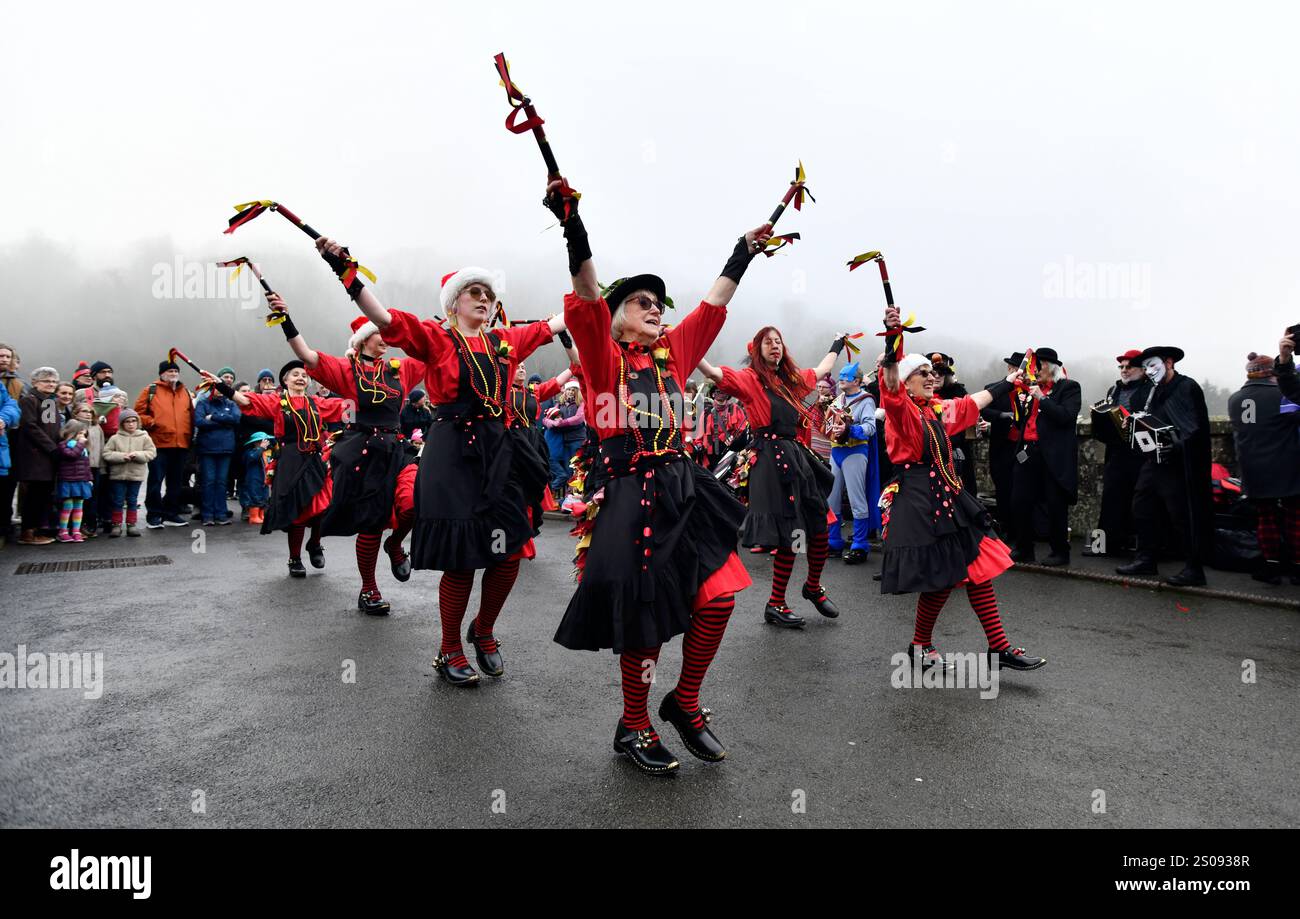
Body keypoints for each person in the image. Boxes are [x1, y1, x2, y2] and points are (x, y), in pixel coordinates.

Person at [546, 174, 766, 776]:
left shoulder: (676, 357)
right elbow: (587, 293)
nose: (656, 311)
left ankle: (684, 702)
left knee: (720, 593)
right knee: (644, 621)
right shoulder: (601, 356)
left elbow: (712, 306)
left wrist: (742, 249)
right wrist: (571, 222)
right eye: (643, 304)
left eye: (658, 306)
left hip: (683, 489)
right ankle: (634, 724)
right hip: (628, 496)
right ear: (617, 319)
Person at [317, 233, 565, 680]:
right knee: (462, 558)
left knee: (509, 552)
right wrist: (345, 271)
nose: (485, 300)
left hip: (499, 453)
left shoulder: (506, 341)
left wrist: (601, 288)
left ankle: (483, 630)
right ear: (453, 303)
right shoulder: (437, 339)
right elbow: (385, 318)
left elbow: (557, 323)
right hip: (452, 455)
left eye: (489, 295)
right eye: (475, 292)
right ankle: (449, 648)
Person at [877, 306, 1046, 675]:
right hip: (921, 500)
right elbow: (888, 388)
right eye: (921, 373)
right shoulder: (902, 411)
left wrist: (1012, 381)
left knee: (973, 567)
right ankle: (922, 646)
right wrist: (893, 338)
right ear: (905, 382)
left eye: (931, 372)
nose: (930, 376)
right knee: (946, 575)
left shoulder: (936, 410)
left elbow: (975, 402)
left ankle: (993, 647)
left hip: (946, 496)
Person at [271, 299, 429, 615]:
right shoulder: (347, 370)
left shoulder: (403, 368)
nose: (387, 335)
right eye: (380, 331)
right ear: (363, 339)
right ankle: (368, 589)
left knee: (413, 504)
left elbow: (435, 351)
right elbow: (306, 355)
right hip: (366, 454)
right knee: (370, 524)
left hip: (397, 450)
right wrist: (285, 318)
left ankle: (396, 544)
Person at [696, 327, 844, 628]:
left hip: (795, 458)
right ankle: (776, 604)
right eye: (768, 342)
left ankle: (812, 587)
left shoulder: (792, 381)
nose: (775, 346)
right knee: (789, 534)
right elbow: (713, 373)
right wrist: (686, 343)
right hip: (769, 460)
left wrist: (837, 344)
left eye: (778, 341)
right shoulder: (750, 380)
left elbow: (824, 367)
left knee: (818, 525)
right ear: (757, 350)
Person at [226, 362, 348, 577]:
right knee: (297, 512)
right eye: (295, 375)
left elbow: (348, 406)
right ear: (285, 380)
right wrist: (221, 386)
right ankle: (294, 558)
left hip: (314, 459)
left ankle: (315, 544)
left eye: (304, 375)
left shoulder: (317, 402)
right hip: (290, 461)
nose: (301, 378)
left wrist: (353, 422)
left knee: (324, 507)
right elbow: (245, 400)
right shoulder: (277, 402)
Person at [1116, 346, 1213, 586]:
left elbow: (1193, 426)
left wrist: (1176, 445)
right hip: (1155, 461)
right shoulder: (1152, 390)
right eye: (1146, 366)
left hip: (1179, 464)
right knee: (1142, 506)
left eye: (1153, 365)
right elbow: (1151, 419)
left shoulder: (1186, 386)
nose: (1149, 371)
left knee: (1182, 515)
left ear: (1169, 363)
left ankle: (1194, 568)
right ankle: (1146, 559)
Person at [1228, 350, 1300, 583]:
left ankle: (1270, 565)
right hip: (1286, 464)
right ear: (1271, 374)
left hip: (1252, 468)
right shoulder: (1283, 396)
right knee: (1294, 516)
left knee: (1265, 517)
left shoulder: (1235, 399)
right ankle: (1297, 566)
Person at [1008, 348, 1081, 566]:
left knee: (1055, 504)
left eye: (1037, 367)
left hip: (1053, 455)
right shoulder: (1032, 390)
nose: (1034, 371)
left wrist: (1043, 399)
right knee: (1020, 501)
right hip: (1028, 452)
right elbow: (1024, 423)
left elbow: (1066, 417)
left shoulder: (1069, 388)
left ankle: (1060, 551)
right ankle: (1024, 548)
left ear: (1050, 367)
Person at [1085, 349, 1151, 557]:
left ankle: (1139, 549)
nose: (1124, 370)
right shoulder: (1114, 389)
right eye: (1121, 367)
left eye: (1128, 366)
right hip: (1117, 451)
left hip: (1141, 452)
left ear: (1141, 369)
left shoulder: (1150, 389)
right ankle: (1104, 545)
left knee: (1140, 502)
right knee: (1111, 498)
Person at [826, 362, 881, 564]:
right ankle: (833, 541)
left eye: (845, 376)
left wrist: (850, 430)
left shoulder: (866, 400)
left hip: (855, 451)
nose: (841, 378)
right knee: (831, 498)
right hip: (836, 451)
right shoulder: (837, 400)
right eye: (840, 375)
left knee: (857, 499)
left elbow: (870, 427)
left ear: (856, 380)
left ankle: (860, 544)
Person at [135, 360, 194, 528]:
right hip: (159, 443)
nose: (173, 374)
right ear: (162, 374)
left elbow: (190, 415)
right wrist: (152, 422)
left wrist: (190, 436)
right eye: (170, 371)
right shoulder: (150, 390)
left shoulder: (185, 392)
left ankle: (171, 513)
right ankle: (154, 514)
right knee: (155, 480)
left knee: (176, 482)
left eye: (176, 371)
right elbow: (138, 413)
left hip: (181, 443)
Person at [13, 367, 62, 545]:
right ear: (35, 382)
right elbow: (30, 427)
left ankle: (36, 531)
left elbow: (54, 429)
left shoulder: (50, 402)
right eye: (46, 381)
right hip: (35, 457)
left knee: (43, 495)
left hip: (48, 456)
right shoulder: (29, 400)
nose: (51, 384)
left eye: (54, 381)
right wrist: (52, 448)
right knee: (33, 495)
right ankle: (28, 533)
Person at [980, 351, 1025, 540]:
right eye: (1015, 369)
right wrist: (1001, 416)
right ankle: (1005, 528)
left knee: (1020, 490)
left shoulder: (1028, 390)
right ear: (1010, 369)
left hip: (1021, 448)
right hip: (1001, 446)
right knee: (1003, 488)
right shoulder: (994, 388)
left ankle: (1020, 530)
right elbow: (983, 409)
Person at [193, 381, 241, 526]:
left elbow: (236, 419)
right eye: (216, 389)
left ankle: (221, 513)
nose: (219, 392)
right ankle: (207, 514)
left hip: (226, 448)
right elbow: (199, 421)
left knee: (221, 482)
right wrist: (224, 421)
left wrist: (213, 417)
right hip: (207, 448)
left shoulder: (231, 404)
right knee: (209, 481)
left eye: (222, 389)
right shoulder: (203, 403)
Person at [102, 409, 155, 536]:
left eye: (133, 421)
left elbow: (151, 453)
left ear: (138, 422)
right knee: (118, 500)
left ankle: (131, 524)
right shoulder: (115, 438)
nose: (131, 424)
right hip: (118, 475)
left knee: (132, 500)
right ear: (122, 424)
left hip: (136, 475)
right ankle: (116, 525)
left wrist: (138, 454)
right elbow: (106, 453)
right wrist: (121, 457)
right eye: (127, 422)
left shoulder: (144, 437)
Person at [54, 419, 94, 542]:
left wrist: (89, 479)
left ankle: (76, 531)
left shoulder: (83, 449)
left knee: (79, 507)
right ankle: (63, 531)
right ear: (71, 432)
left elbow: (86, 466)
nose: (82, 437)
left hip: (81, 480)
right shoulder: (63, 445)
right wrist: (81, 443)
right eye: (80, 433)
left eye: (84, 434)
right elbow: (72, 455)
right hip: (68, 480)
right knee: (68, 506)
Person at [241, 432, 273, 526]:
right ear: (257, 443)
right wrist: (261, 448)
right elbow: (253, 458)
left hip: (264, 479)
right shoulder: (250, 452)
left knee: (264, 497)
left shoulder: (265, 453)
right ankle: (254, 516)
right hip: (254, 478)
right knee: (255, 497)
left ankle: (261, 515)